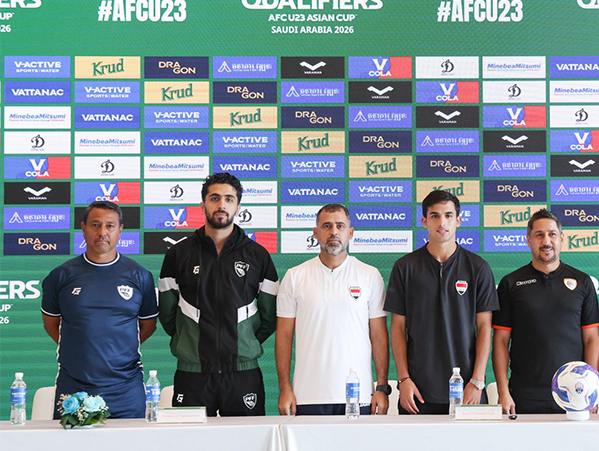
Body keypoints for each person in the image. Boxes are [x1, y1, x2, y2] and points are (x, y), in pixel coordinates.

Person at [158, 172, 278, 416]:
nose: (222, 204)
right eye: (214, 198)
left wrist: (244, 340)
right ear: (203, 205)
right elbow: (167, 315)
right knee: (191, 449)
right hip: (193, 373)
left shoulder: (258, 255)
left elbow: (270, 317)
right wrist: (188, 340)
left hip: (243, 373)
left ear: (238, 206)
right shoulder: (178, 254)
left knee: (247, 447)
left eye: (229, 199)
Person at [41, 201, 158, 418]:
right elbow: (52, 325)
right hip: (74, 389)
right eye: (95, 225)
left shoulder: (140, 276)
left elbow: (148, 326)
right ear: (83, 228)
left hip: (126, 390)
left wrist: (115, 347)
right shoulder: (60, 276)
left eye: (110, 226)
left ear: (120, 230)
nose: (102, 232)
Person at [385, 190, 498, 414]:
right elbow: (397, 328)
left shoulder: (478, 268)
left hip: (468, 390)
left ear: (458, 220)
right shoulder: (405, 267)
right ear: (424, 221)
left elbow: (485, 328)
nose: (442, 222)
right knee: (416, 450)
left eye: (448, 215)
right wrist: (403, 379)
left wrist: (477, 381)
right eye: (435, 216)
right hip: (417, 391)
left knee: (470, 450)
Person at [275, 204, 390, 416]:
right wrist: (284, 389)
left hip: (358, 395)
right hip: (307, 396)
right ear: (316, 233)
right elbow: (283, 336)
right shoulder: (294, 276)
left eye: (340, 226)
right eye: (327, 226)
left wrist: (381, 388)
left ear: (351, 232)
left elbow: (379, 336)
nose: (334, 232)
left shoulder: (370, 275)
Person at [493, 209, 599, 414]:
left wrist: (591, 388)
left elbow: (591, 340)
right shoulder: (511, 283)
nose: (546, 241)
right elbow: (501, 341)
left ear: (561, 239)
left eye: (552, 234)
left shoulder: (583, 282)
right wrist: (503, 391)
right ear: (528, 240)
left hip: (574, 395)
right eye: (539, 235)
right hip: (524, 395)